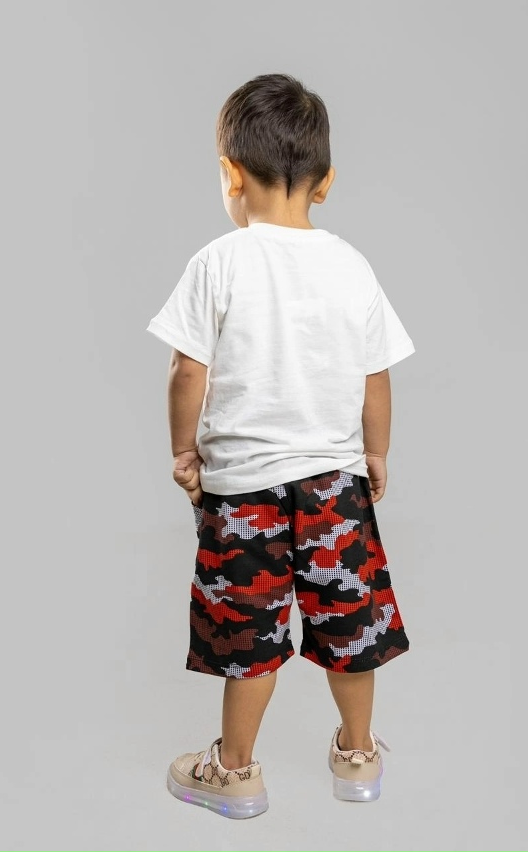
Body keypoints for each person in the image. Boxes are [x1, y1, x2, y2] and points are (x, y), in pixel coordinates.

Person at [146, 73, 416, 820]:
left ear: (231, 175)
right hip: (336, 485)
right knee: (351, 623)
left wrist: (184, 451)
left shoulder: (218, 261)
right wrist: (376, 453)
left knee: (249, 633)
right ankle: (358, 756)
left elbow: (187, 369)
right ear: (325, 183)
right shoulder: (352, 265)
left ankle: (235, 773)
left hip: (242, 491)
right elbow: (375, 375)